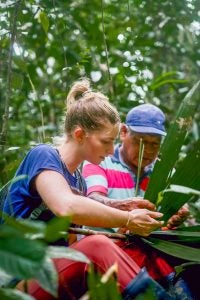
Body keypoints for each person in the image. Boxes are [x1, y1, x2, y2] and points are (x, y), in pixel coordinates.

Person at [2, 80, 173, 300]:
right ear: (80, 135)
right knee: (97, 246)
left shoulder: (79, 182)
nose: (112, 150)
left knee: (133, 248)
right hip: (14, 278)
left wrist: (120, 209)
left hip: (49, 273)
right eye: (106, 142)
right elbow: (66, 205)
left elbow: (72, 245)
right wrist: (127, 218)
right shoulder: (44, 155)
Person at [82, 103, 191, 293]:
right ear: (123, 132)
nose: (147, 150)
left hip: (152, 257)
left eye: (154, 143)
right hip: (108, 254)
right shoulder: (100, 160)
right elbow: (93, 200)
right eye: (141, 141)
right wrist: (123, 209)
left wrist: (175, 218)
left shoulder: (164, 172)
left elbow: (166, 225)